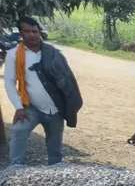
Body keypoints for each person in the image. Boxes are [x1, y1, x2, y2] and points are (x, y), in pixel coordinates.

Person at [4, 16, 82, 165]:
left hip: (55, 109)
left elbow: (68, 81)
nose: (31, 35)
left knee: (55, 149)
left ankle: (55, 172)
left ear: (39, 32)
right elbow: (9, 82)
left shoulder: (53, 53)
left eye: (35, 31)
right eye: (27, 31)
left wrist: (70, 106)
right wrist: (18, 107)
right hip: (30, 107)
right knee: (18, 131)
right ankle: (15, 169)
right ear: (21, 33)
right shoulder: (14, 54)